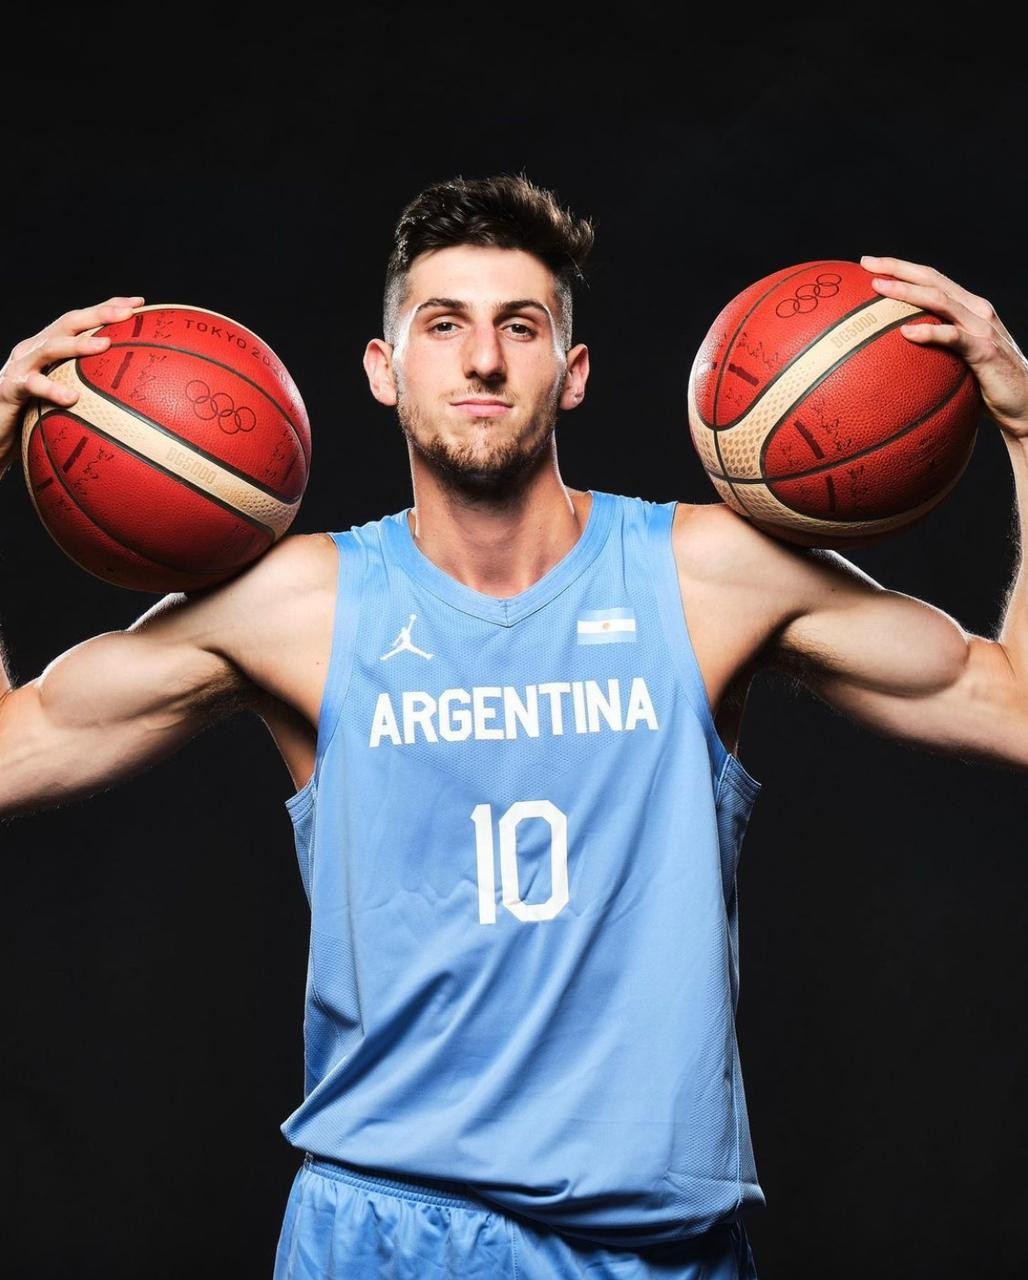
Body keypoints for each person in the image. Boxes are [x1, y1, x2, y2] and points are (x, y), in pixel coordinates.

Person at [1, 174, 1026, 1280]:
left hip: (645, 1248)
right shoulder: (299, 606)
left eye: (520, 326)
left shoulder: (706, 577)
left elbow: (1010, 706)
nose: (483, 360)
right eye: (443, 325)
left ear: (571, 372)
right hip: (381, 1230)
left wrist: (1022, 425)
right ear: (384, 370)